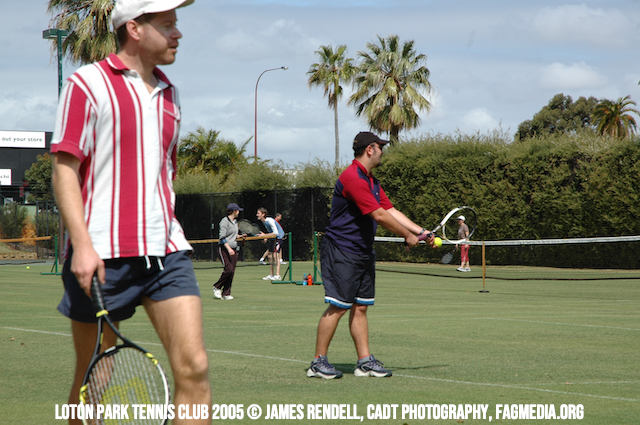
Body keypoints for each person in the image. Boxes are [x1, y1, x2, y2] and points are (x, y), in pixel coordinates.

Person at [50, 1, 211, 423]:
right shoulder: (87, 84)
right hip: (101, 257)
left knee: (194, 367)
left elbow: (165, 174)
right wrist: (82, 246)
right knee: (94, 380)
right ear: (135, 29)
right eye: (168, 24)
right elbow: (64, 171)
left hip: (166, 251)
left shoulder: (171, 94)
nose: (178, 33)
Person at [307, 132, 435, 380]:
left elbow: (390, 210)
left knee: (361, 306)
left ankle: (364, 362)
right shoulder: (353, 178)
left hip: (362, 251)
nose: (382, 152)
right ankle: (317, 362)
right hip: (341, 250)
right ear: (369, 149)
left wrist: (421, 231)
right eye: (380, 147)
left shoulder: (371, 181)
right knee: (338, 306)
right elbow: (379, 215)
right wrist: (407, 236)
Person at [213, 203, 245, 300]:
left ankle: (226, 293)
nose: (239, 212)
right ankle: (217, 286)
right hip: (224, 249)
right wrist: (229, 249)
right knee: (229, 269)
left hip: (234, 249)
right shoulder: (224, 221)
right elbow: (222, 237)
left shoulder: (235, 222)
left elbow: (233, 235)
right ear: (234, 211)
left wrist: (240, 236)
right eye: (238, 211)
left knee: (232, 272)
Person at [256, 207, 282, 280]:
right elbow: (271, 232)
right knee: (270, 256)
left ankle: (278, 275)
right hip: (272, 238)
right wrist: (266, 237)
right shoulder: (264, 221)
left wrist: (265, 235)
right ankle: (271, 275)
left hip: (278, 237)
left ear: (263, 214)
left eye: (258, 213)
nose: (257, 215)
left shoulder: (269, 220)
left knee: (275, 256)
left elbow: (276, 233)